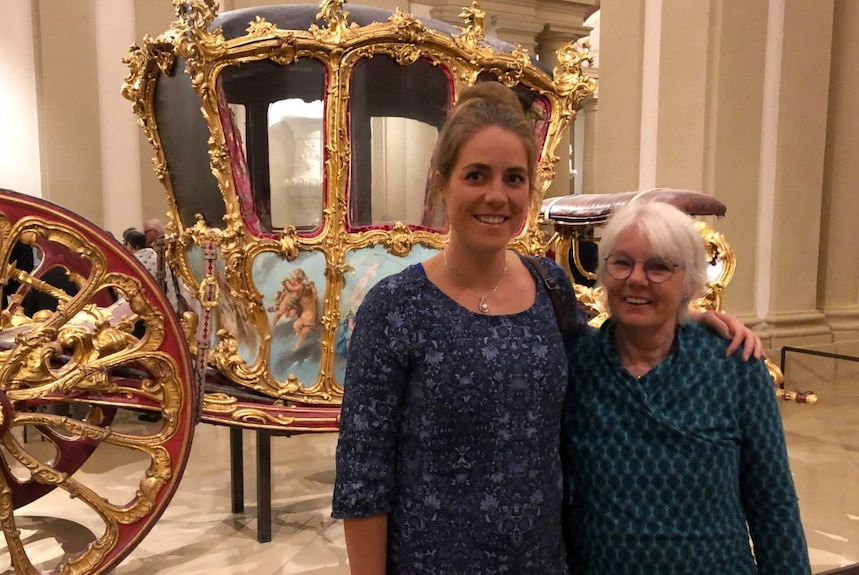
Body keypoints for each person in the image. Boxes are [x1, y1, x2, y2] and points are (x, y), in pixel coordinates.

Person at [331, 82, 761, 575]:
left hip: (544, 560)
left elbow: (605, 362)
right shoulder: (395, 306)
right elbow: (363, 475)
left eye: (514, 178)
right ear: (442, 183)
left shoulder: (549, 286)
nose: (497, 195)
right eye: (477, 175)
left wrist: (681, 318)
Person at [561, 200, 810, 574]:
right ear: (603, 271)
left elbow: (772, 502)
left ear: (691, 282)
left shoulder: (733, 364)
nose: (637, 279)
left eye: (659, 266)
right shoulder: (575, 364)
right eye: (622, 262)